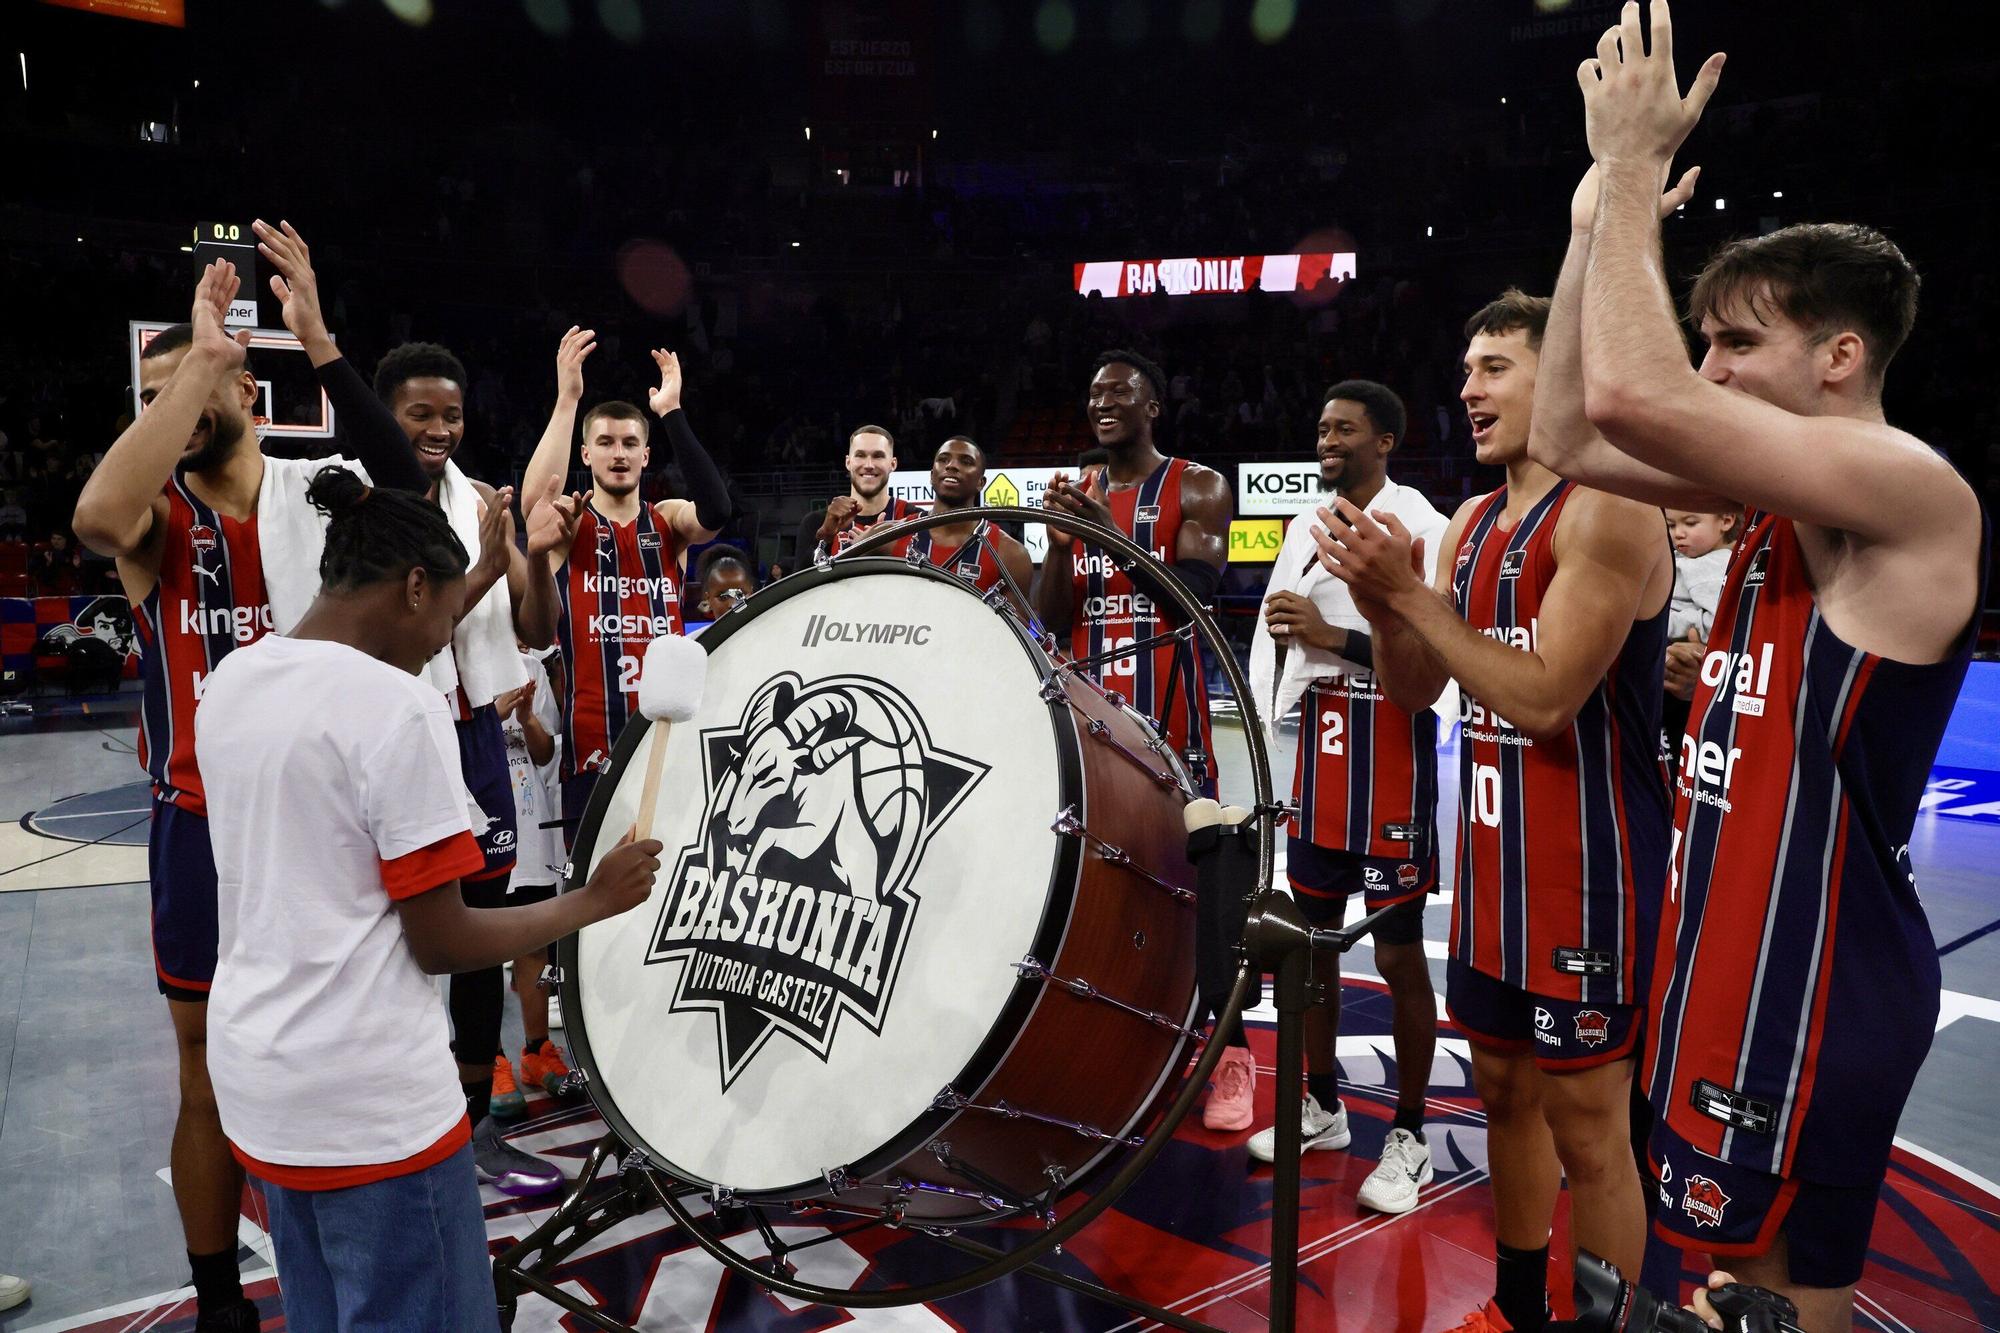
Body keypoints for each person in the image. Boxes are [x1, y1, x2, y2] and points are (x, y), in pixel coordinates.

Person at [1535, 8, 1983, 1323]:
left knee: (1778, 1302)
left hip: (1815, 982)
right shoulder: (1784, 510)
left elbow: (1630, 399)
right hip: (1730, 960)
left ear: (1841, 357)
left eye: (1738, 342)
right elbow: (1573, 424)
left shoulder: (1908, 487)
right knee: (1747, 1299)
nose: (1710, 365)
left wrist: (1627, 174)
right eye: (1705, 339)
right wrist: (1585, 232)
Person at [194, 466, 663, 1331]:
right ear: (414, 586)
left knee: (322, 1313)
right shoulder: (397, 705)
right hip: (370, 1102)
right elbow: (441, 939)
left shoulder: (233, 679)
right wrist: (591, 902)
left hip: (261, 1078)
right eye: (449, 616)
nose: (444, 643)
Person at [70, 254, 430, 1333]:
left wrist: (306, 340)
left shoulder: (313, 499)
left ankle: (352, 1237)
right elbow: (94, 512)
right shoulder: (157, 529)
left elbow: (409, 484)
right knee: (203, 1069)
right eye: (154, 395)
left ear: (247, 391)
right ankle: (221, 1293)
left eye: (204, 382)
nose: (175, 406)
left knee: (337, 1040)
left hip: (320, 825)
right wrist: (192, 366)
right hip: (201, 829)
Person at [1313, 291, 1676, 1332]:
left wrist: (1412, 598)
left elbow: (1543, 694)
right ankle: (1517, 1308)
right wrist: (1386, 608)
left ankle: (1602, 1322)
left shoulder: (1610, 505)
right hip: (1490, 876)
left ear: (1555, 379)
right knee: (1507, 1097)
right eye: (1465, 369)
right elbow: (1414, 691)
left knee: (1589, 1124)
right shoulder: (1468, 522)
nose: (1467, 389)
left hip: (1588, 873)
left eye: (1493, 368)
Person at [1245, 380, 1447, 1214]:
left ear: (1387, 439)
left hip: (1394, 749)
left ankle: (1410, 1133)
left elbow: (1437, 658)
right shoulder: (1303, 523)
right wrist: (1267, 713)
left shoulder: (1425, 527)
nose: (1328, 439)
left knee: (1399, 958)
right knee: (1316, 948)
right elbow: (1275, 633)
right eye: (1322, 426)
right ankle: (1322, 1104)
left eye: (1346, 428)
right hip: (1324, 757)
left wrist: (1332, 637)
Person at [1034, 349, 1248, 1130]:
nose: (1102, 403)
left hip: (1178, 731)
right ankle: (1113, 1048)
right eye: (1092, 393)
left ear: (1152, 406)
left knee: (1206, 899)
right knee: (1100, 896)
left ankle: (1230, 1057)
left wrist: (1108, 535)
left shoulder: (1197, 486)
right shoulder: (1078, 495)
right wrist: (1063, 549)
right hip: (1096, 739)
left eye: (1118, 392)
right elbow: (1053, 620)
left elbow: (1200, 598)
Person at [520, 325, 730, 839]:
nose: (618, 453)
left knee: (665, 895)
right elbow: (534, 508)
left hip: (667, 741)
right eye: (606, 443)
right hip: (591, 744)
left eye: (631, 443)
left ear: (645, 456)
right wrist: (568, 400)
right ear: (585, 455)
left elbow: (718, 510)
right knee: (590, 901)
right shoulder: (570, 525)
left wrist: (672, 415)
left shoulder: (669, 521)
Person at [485, 646, 569, 1119]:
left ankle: (536, 1051)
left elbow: (544, 754)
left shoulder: (529, 665)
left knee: (533, 940)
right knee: (482, 949)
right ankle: (488, 1058)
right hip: (481, 822)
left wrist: (526, 717)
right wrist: (494, 716)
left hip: (531, 823)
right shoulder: (450, 663)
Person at [890, 435, 1032, 598]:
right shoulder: (888, 538)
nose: (951, 466)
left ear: (981, 483)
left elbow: (1017, 622)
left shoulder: (1011, 555)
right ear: (931, 475)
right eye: (943, 460)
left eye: (966, 462)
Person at [793, 424, 924, 568]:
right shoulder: (816, 522)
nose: (868, 464)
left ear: (893, 464)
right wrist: (825, 537)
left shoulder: (914, 520)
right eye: (860, 455)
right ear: (848, 462)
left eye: (878, 456)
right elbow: (801, 586)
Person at [1660, 506, 1738, 747]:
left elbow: (1721, 622)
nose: (1679, 534)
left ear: (1725, 520)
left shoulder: (1709, 566)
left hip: (1691, 667)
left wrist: (1669, 623)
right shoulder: (1692, 560)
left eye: (1691, 523)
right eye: (1671, 526)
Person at [694, 543, 756, 621]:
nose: (732, 604)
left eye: (739, 595)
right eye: (723, 597)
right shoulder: (698, 633)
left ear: (752, 594)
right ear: (708, 599)